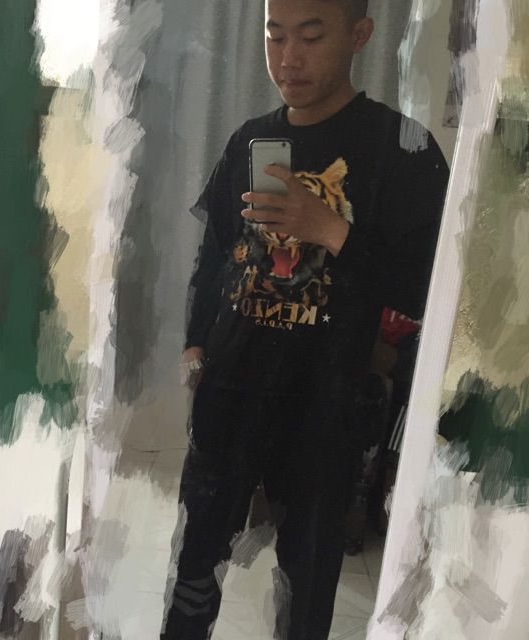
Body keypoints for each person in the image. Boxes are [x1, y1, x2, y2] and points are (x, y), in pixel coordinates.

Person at [161, 0, 449, 638]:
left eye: (310, 38)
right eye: (275, 36)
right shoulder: (247, 139)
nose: (288, 59)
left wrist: (332, 231)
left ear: (359, 35)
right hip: (229, 392)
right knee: (193, 570)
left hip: (324, 407)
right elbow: (215, 256)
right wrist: (193, 344)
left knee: (307, 586)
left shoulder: (404, 149)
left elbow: (429, 288)